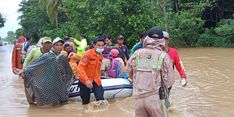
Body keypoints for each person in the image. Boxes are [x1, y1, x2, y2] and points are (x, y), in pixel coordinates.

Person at [126, 27, 174, 117]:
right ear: (161, 40)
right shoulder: (163, 56)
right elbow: (169, 81)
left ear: (147, 38)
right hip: (155, 99)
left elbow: (128, 72)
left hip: (138, 98)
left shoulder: (137, 53)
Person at [16, 37, 73, 106]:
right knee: (52, 103)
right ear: (53, 46)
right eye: (57, 45)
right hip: (48, 82)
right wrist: (24, 70)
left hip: (59, 82)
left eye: (61, 45)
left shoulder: (62, 57)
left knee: (62, 102)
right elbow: (35, 65)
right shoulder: (47, 56)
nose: (59, 47)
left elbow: (68, 72)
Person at [77, 36, 105, 105]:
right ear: (94, 45)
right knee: (85, 102)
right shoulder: (87, 54)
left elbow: (98, 68)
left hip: (96, 80)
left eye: (102, 45)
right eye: (98, 45)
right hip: (85, 80)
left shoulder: (100, 55)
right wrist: (86, 80)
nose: (100, 47)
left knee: (101, 99)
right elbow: (80, 68)